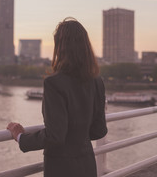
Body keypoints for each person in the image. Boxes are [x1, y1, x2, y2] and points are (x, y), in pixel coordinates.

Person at [7, 17, 107, 177]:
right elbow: (99, 130)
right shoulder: (97, 81)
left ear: (60, 47)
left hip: (62, 169)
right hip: (87, 166)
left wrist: (20, 137)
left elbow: (55, 136)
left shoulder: (54, 83)